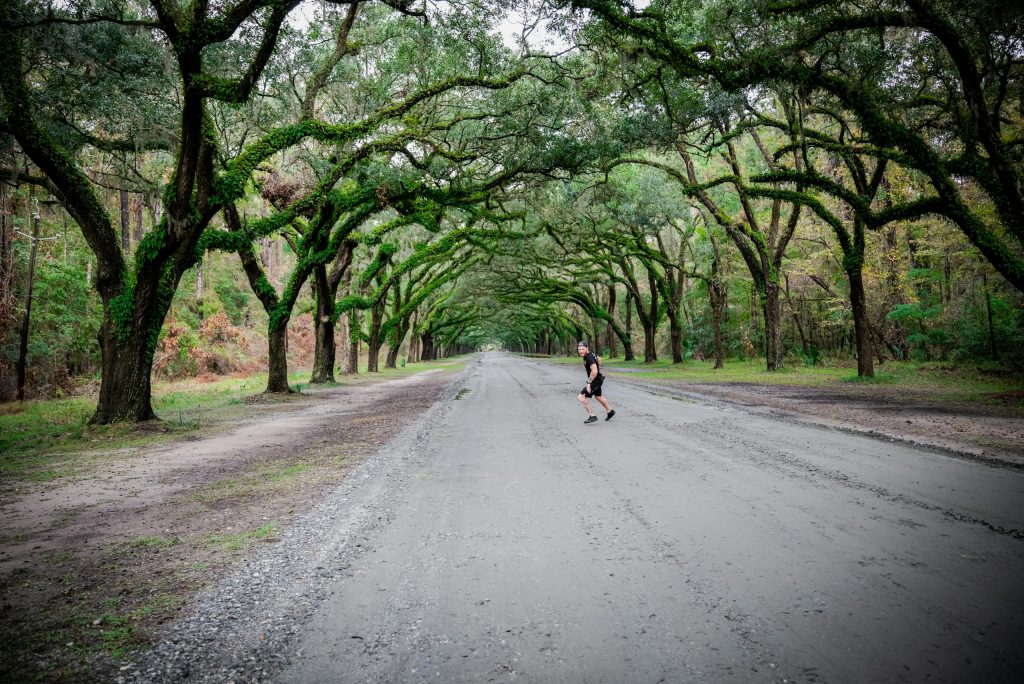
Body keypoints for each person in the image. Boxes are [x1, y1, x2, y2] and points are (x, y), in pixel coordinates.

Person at [577, 340, 615, 424]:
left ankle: (592, 415)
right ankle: (610, 411)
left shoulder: (589, 357)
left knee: (581, 397)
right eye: (579, 349)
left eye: (582, 349)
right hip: (598, 379)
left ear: (587, 348)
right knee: (598, 396)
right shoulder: (591, 354)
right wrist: (598, 368)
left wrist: (589, 383)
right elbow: (599, 359)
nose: (580, 351)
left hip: (595, 380)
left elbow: (594, 372)